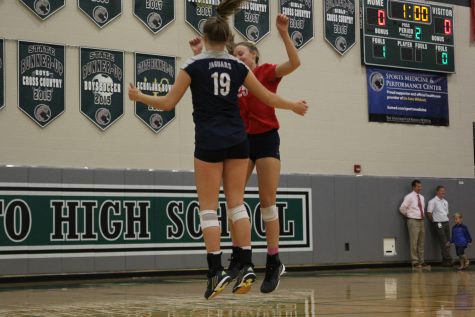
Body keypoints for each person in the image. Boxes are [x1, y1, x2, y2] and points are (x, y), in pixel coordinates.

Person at [128, 0, 308, 300]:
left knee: (211, 208)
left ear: (205, 36)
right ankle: (247, 263)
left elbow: (169, 103)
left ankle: (217, 270)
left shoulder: (195, 64)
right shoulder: (238, 66)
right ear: (228, 40)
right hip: (240, 140)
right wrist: (293, 106)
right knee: (237, 204)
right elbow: (266, 97)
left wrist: (139, 96)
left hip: (215, 140)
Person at [189, 13, 301, 293]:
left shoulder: (264, 74)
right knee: (233, 200)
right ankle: (240, 258)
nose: (237, 57)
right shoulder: (234, 74)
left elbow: (295, 63)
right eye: (234, 54)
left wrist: (284, 34)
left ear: (254, 55)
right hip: (240, 141)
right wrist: (199, 53)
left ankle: (274, 260)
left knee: (266, 201)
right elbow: (210, 78)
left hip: (265, 139)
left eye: (241, 53)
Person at [399, 180, 429, 269]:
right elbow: (402, 208)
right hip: (413, 221)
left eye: (421, 186)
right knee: (414, 242)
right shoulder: (409, 197)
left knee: (421, 242)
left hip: (421, 221)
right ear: (413, 187)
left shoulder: (422, 197)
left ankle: (421, 261)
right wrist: (410, 216)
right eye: (418, 186)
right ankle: (415, 261)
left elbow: (422, 208)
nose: (420, 188)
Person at [427, 185, 452, 267]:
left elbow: (446, 213)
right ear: (437, 191)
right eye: (441, 191)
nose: (443, 192)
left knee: (448, 241)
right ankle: (448, 259)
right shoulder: (432, 201)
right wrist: (435, 222)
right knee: (444, 241)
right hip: (438, 223)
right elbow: (429, 213)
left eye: (444, 191)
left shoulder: (445, 202)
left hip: (446, 222)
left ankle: (445, 261)